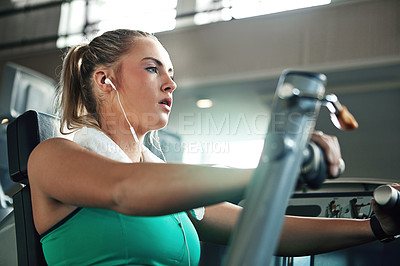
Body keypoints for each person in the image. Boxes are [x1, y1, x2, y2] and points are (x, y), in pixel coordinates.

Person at [28, 29, 400, 265]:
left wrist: (374, 228)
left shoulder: (164, 185)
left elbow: (271, 230)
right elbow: (124, 189)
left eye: (172, 73)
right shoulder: (53, 157)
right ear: (105, 79)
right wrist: (277, 167)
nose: (171, 84)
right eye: (153, 69)